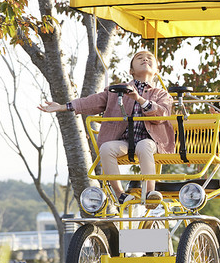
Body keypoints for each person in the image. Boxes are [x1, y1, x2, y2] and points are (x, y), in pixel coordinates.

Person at [38, 50, 174, 205]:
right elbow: (92, 102)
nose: (145, 59)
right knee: (106, 148)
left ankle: (150, 192)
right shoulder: (117, 91)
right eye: (139, 58)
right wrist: (64, 107)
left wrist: (140, 99)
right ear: (131, 70)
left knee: (143, 146)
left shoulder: (162, 94)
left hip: (150, 140)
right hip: (125, 141)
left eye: (150, 58)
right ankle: (120, 194)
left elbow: (161, 114)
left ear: (157, 70)